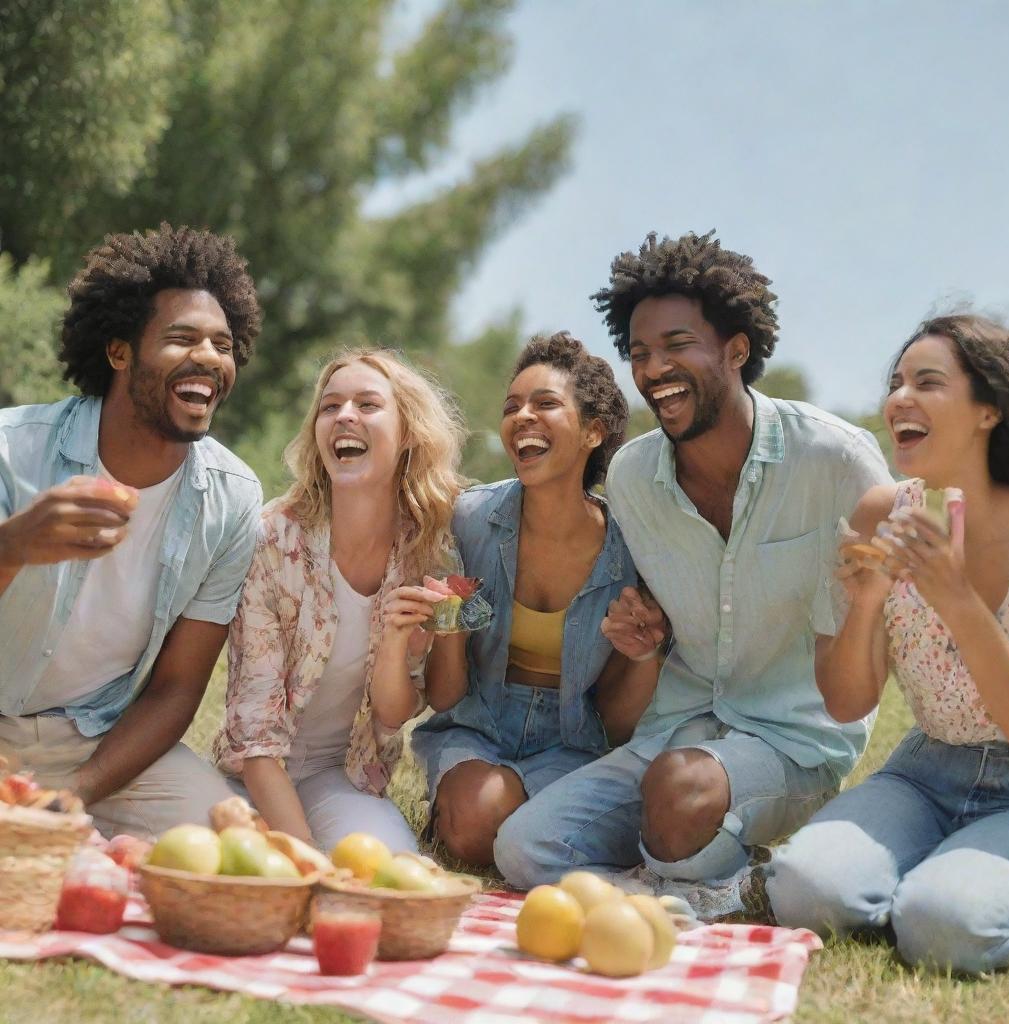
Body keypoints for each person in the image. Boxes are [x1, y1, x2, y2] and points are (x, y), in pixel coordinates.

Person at [493, 231, 892, 904]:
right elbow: (646, 613)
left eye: (678, 346)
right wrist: (642, 632)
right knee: (524, 848)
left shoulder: (836, 462)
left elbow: (868, 651)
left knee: (679, 793)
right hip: (671, 733)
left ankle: (693, 871)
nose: (654, 370)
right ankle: (698, 886)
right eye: (641, 353)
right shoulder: (632, 477)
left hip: (790, 744)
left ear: (736, 350)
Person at [768, 314, 1009, 974]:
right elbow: (849, 702)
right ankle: (937, 877)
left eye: (927, 382)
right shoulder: (882, 513)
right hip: (925, 770)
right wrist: (866, 605)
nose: (899, 399)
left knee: (945, 928)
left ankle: (946, 892)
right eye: (896, 382)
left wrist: (958, 601)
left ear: (989, 409)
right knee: (803, 888)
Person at [0, 224, 263, 839]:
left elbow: (175, 689)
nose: (209, 357)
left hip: (96, 745)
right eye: (182, 338)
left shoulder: (232, 500)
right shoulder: (13, 450)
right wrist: (13, 545)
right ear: (120, 352)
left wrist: (74, 794)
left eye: (223, 345)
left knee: (231, 846)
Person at [413, 331, 658, 868]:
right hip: (476, 729)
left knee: (507, 827)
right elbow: (445, 695)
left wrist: (643, 654)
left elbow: (618, 723)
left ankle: (533, 826)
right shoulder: (469, 523)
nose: (522, 416)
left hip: (572, 746)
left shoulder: (631, 550)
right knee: (478, 825)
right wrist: (448, 625)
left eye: (545, 403)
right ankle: (502, 819)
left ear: (594, 431)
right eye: (511, 406)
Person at [213, 348, 466, 853]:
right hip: (253, 775)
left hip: (342, 776)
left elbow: (395, 715)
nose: (344, 416)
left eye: (367, 404)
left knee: (389, 876)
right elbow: (256, 736)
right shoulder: (272, 541)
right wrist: (302, 854)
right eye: (329, 407)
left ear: (408, 433)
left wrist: (397, 642)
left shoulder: (429, 555)